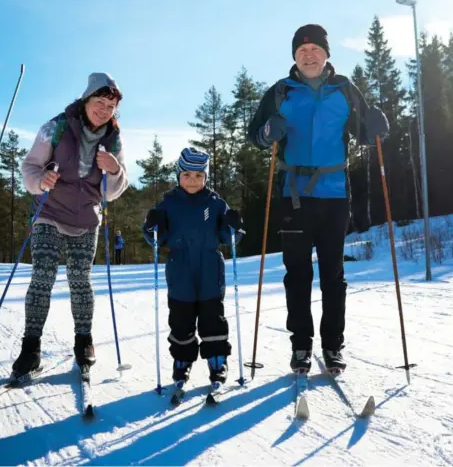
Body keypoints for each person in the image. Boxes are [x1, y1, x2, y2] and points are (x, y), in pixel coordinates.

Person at [246, 24, 389, 374]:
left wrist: (375, 127)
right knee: (297, 274)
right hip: (293, 194)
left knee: (333, 274)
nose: (309, 55)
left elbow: (363, 133)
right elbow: (255, 136)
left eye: (315, 49)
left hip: (335, 193)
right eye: (302, 50)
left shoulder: (345, 90)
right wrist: (268, 132)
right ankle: (300, 346)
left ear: (326, 54)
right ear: (294, 56)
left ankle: (332, 345)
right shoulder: (281, 92)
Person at [12, 72, 130, 379]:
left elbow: (113, 190)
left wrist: (115, 169)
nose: (105, 110)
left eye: (111, 105)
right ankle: (31, 348)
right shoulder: (55, 127)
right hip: (49, 212)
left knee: (80, 279)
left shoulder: (113, 139)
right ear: (86, 99)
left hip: (86, 218)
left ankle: (84, 342)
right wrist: (41, 180)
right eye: (100, 102)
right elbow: (29, 167)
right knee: (43, 276)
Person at [142, 147, 244, 387]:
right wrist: (151, 227)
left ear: (205, 178)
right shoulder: (168, 203)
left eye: (199, 176)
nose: (192, 181)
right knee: (180, 319)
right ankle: (182, 361)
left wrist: (234, 227)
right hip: (180, 271)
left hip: (210, 270)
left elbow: (229, 238)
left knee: (213, 318)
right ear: (178, 175)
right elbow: (159, 237)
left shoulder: (216, 203)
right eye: (187, 175)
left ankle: (217, 360)